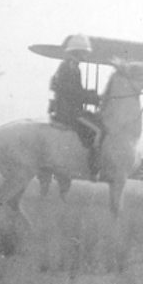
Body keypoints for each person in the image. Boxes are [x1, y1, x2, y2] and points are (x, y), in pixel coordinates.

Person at [49, 34, 101, 179]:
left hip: (69, 109)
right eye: (84, 52)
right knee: (96, 131)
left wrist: (91, 95)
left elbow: (74, 90)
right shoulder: (70, 67)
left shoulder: (69, 65)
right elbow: (71, 92)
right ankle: (93, 168)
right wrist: (92, 97)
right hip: (68, 112)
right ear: (77, 52)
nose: (85, 55)